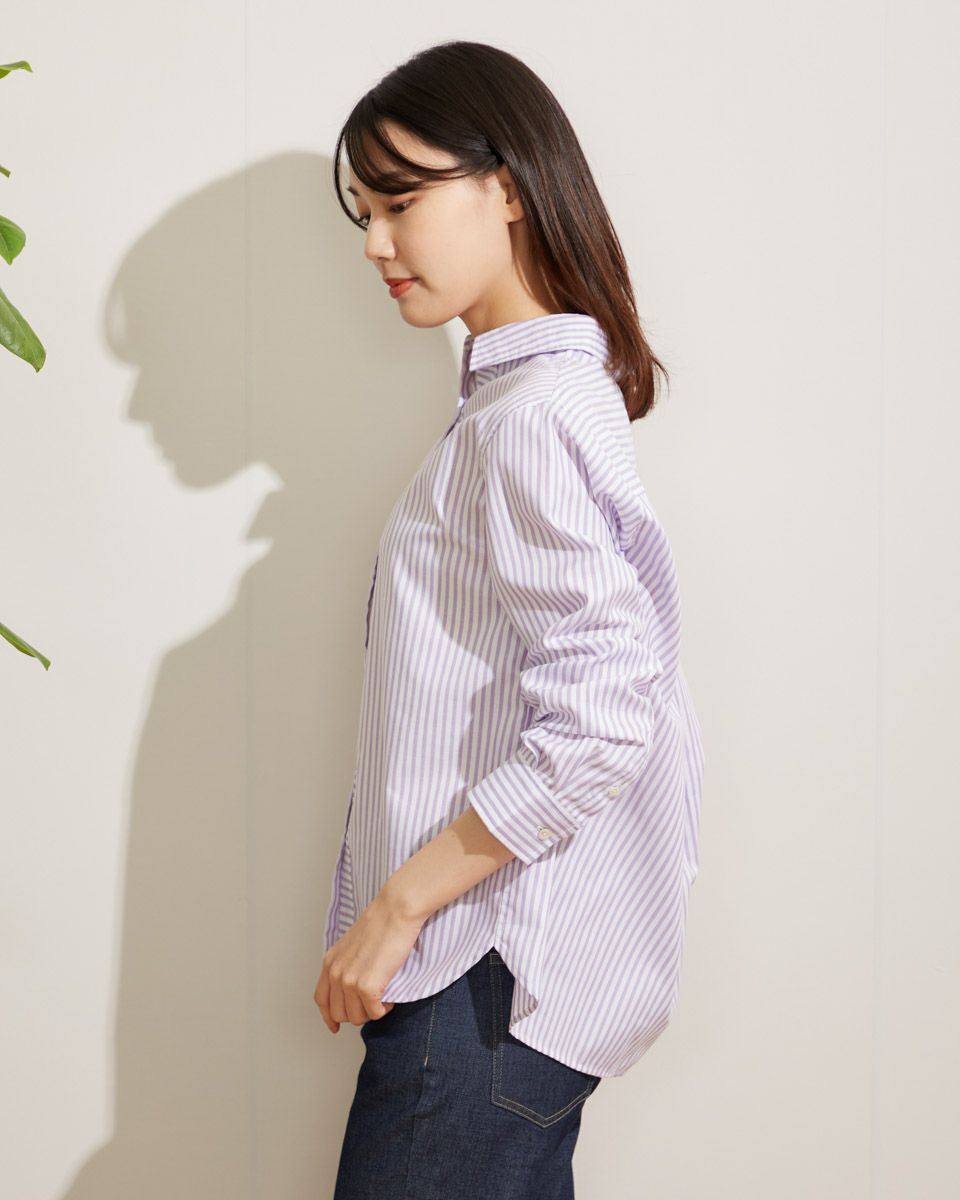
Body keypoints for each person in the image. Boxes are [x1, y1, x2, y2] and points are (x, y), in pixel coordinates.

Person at [313, 39, 705, 1200]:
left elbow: (604, 709)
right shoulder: (530, 404)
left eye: (401, 202)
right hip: (492, 993)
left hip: (481, 987)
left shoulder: (528, 418)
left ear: (510, 189)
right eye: (364, 214)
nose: (375, 244)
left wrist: (399, 906)